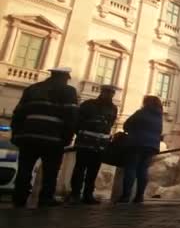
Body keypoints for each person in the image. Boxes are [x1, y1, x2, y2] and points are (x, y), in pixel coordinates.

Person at [10, 67, 78, 207]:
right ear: (65, 78)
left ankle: (19, 197)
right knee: (50, 171)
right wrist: (67, 137)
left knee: (25, 169)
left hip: (29, 136)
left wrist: (16, 134)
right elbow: (71, 116)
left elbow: (18, 113)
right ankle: (46, 198)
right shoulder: (68, 91)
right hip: (53, 138)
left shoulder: (33, 88)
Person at [67, 85, 118, 205]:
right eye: (108, 93)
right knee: (83, 169)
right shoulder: (100, 106)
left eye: (111, 93)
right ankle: (79, 194)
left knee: (88, 170)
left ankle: (83, 194)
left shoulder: (92, 105)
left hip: (93, 143)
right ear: (103, 92)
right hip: (92, 143)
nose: (109, 95)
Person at [116, 95, 163, 204]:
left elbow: (126, 125)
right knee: (143, 170)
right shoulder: (159, 116)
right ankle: (139, 196)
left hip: (136, 143)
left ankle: (126, 196)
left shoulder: (141, 112)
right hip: (151, 146)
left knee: (131, 168)